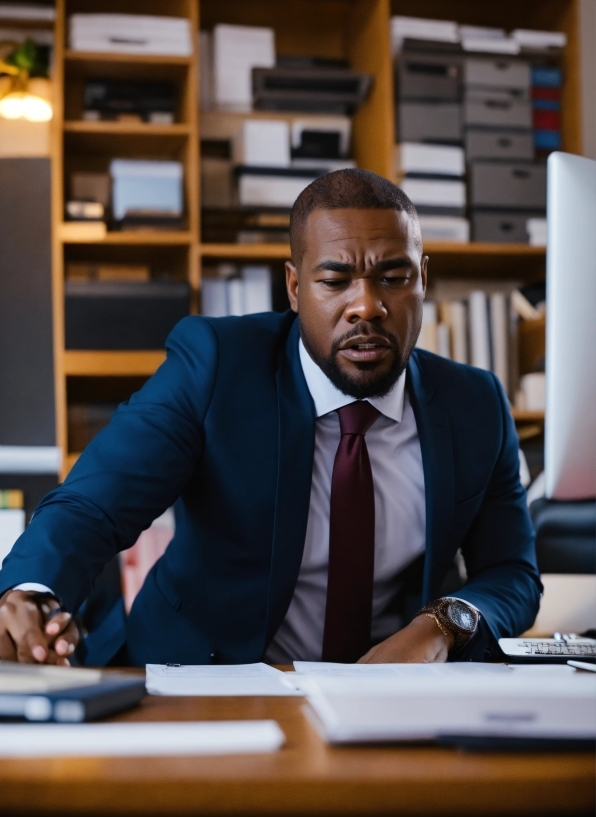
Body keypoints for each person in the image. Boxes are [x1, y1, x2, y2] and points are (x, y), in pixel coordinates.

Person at [0, 169, 541, 668]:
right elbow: (93, 506)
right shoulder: (217, 365)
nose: (367, 306)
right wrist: (30, 592)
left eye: (394, 278)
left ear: (423, 279)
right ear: (295, 286)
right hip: (197, 680)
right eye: (336, 280)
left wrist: (440, 626)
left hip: (383, 694)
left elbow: (512, 572)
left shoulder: (474, 404)